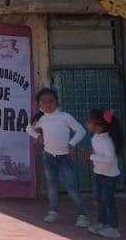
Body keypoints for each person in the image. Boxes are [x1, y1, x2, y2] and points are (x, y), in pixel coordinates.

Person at [26, 87, 90, 228]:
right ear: (39, 104)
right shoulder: (41, 119)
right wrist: (38, 136)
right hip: (49, 157)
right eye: (44, 102)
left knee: (72, 186)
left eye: (51, 101)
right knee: (52, 186)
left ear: (56, 102)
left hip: (65, 158)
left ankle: (82, 215)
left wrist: (71, 144)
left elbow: (81, 131)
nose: (48, 105)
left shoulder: (65, 117)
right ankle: (53, 211)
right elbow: (28, 128)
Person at [86, 108, 123, 238]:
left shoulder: (107, 141)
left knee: (108, 201)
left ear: (100, 126)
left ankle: (113, 227)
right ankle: (102, 223)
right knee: (99, 200)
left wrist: (91, 157)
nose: (88, 123)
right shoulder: (96, 137)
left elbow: (109, 159)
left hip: (109, 177)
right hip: (99, 174)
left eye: (91, 121)